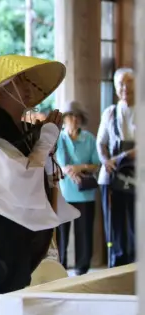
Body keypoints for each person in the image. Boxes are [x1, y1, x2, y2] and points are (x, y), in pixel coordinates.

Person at [0, 54, 80, 315]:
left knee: (14, 300)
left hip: (18, 236)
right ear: (1, 90)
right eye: (20, 81)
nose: (28, 86)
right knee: (5, 300)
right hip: (1, 238)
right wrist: (44, 142)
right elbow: (21, 181)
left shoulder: (20, 129)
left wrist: (44, 142)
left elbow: (38, 173)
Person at [54, 101, 101, 276]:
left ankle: (82, 268)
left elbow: (96, 164)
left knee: (84, 232)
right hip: (65, 193)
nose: (74, 119)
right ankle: (61, 267)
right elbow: (58, 163)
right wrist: (69, 170)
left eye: (77, 116)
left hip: (85, 194)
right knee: (62, 234)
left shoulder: (89, 138)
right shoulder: (59, 138)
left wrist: (79, 167)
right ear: (64, 119)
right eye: (70, 116)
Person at [97, 67, 137, 267]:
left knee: (137, 225)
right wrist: (106, 160)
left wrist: (124, 156)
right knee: (115, 225)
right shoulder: (110, 112)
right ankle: (117, 266)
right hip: (112, 176)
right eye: (121, 83)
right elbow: (101, 143)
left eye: (129, 82)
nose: (125, 87)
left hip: (137, 174)